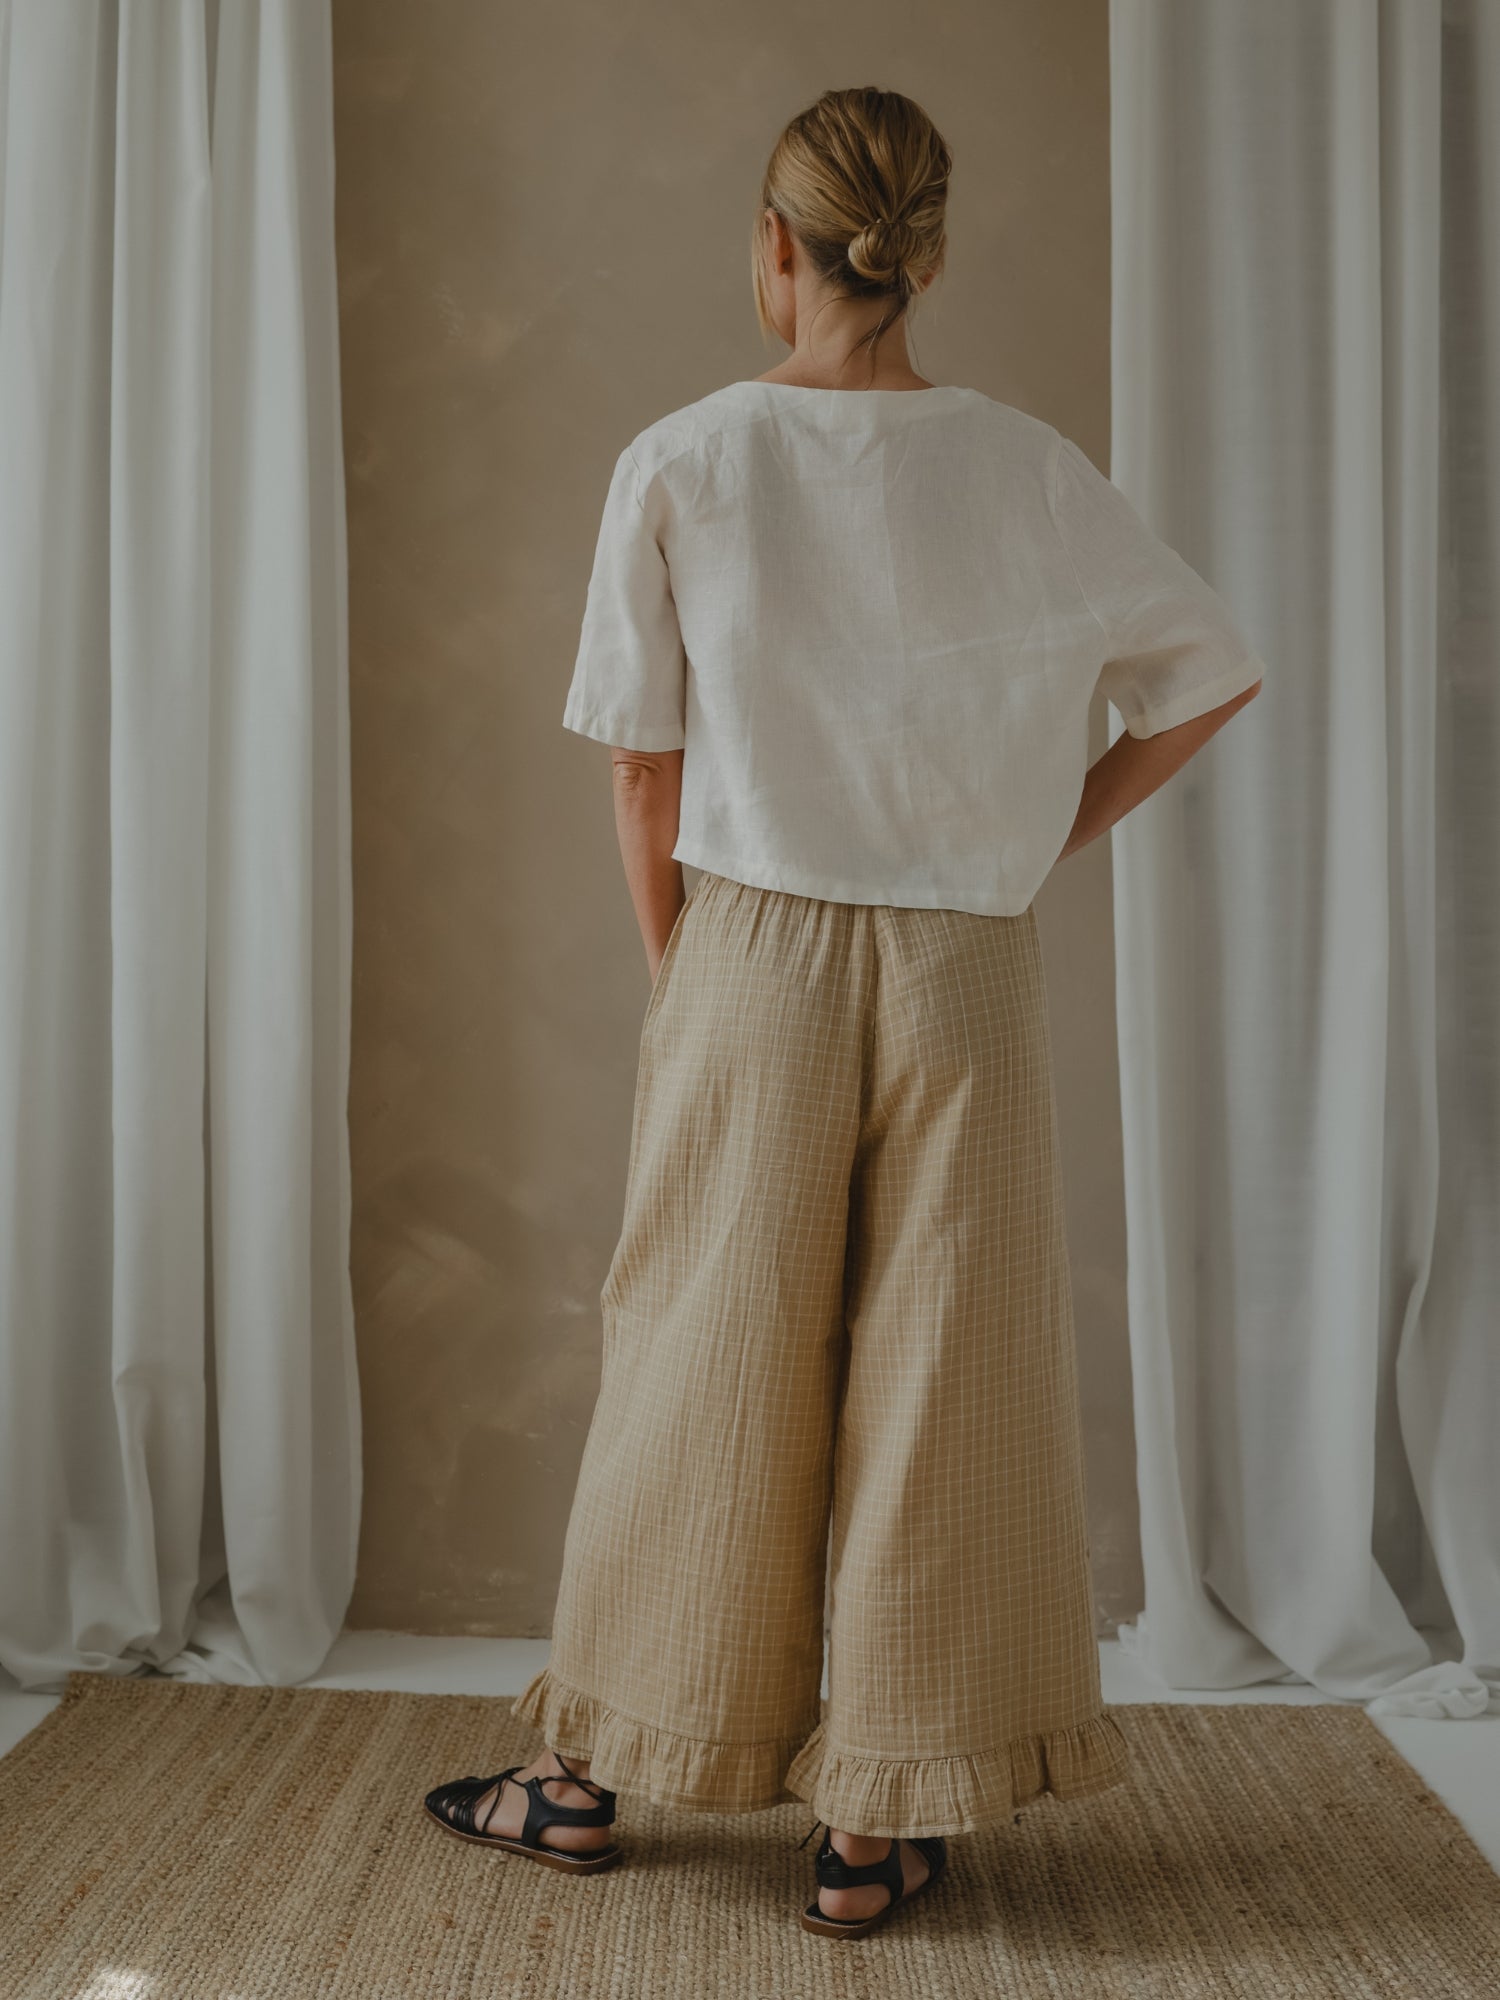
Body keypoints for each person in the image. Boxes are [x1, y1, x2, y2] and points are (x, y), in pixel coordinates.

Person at [423, 84, 1265, 1941]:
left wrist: (684, 971)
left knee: (700, 1358)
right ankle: (874, 1832)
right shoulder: (1029, 465)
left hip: (753, 950)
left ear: (774, 251)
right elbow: (1205, 674)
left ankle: (584, 1783)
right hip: (966, 962)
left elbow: (643, 773)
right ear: (929, 255)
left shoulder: (686, 456)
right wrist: (1037, 834)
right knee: (943, 1375)